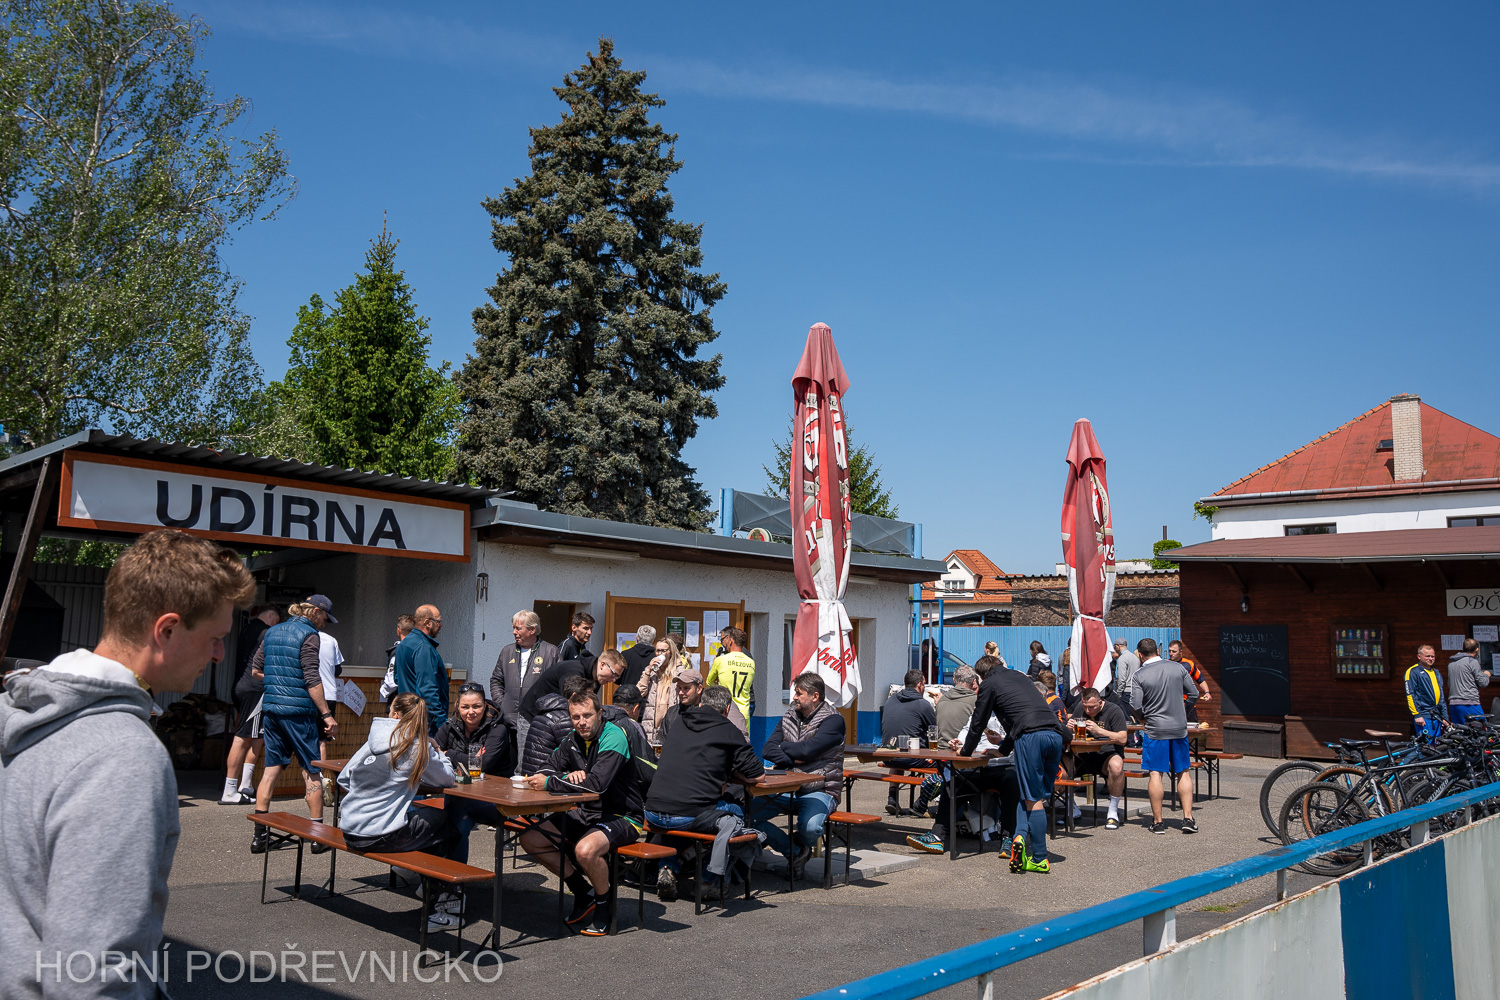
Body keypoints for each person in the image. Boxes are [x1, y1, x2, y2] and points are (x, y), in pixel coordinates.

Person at [0, 529, 254, 998]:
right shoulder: (122, 755)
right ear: (167, 630)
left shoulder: (20, 713)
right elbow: (92, 974)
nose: (220, 654)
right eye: (216, 637)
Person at [520, 688, 646, 937]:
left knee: (585, 851)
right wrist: (567, 776)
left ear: (600, 714)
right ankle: (582, 892)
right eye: (576, 717)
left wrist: (553, 781)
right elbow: (545, 768)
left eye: (587, 715)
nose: (582, 722)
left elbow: (596, 785)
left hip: (623, 816)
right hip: (587, 813)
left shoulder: (614, 736)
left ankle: (603, 904)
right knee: (531, 838)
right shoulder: (572, 738)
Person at [337, 693, 463, 929]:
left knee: (423, 818)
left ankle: (417, 875)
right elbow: (446, 778)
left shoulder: (372, 741)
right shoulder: (418, 746)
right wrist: (438, 751)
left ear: (395, 714)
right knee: (446, 826)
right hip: (379, 835)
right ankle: (442, 906)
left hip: (350, 830)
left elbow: (344, 778)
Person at [646, 683, 765, 900]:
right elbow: (758, 776)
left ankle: (668, 866)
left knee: (686, 815)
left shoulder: (680, 721)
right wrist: (734, 775)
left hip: (653, 811)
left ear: (701, 704)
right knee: (735, 813)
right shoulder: (728, 730)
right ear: (727, 709)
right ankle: (709, 880)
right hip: (687, 814)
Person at [961, 653, 1068, 874]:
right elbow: (1021, 717)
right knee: (1031, 795)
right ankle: (1018, 837)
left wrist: (965, 752)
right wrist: (1002, 750)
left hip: (1031, 738)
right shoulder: (1020, 677)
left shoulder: (989, 683)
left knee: (1033, 799)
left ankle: (1039, 858)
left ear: (981, 675)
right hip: (1054, 735)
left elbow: (978, 721)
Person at [251, 599, 341, 854]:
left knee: (271, 770)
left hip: (272, 710)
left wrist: (278, 682)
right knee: (311, 771)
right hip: (299, 713)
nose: (325, 624)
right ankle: (317, 837)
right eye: (325, 618)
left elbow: (256, 670)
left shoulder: (272, 632)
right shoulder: (310, 635)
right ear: (315, 612)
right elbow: (311, 678)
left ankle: (259, 836)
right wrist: (326, 715)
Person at [909, 673, 1021, 854]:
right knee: (953, 781)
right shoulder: (981, 709)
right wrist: (959, 741)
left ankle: (1008, 838)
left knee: (1012, 780)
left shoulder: (1012, 712)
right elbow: (968, 729)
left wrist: (1001, 741)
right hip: (977, 765)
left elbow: (1018, 738)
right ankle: (937, 836)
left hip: (1003, 765)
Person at [751, 672, 845, 879]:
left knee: (811, 828)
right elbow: (767, 749)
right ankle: (794, 850)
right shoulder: (789, 716)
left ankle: (800, 842)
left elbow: (809, 750)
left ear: (815, 696)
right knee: (746, 815)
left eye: (799, 693)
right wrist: (797, 757)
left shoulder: (833, 721)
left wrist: (785, 747)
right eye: (794, 692)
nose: (794, 697)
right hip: (785, 786)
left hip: (820, 788)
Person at [1130, 637, 1199, 835]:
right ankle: (1188, 818)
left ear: (1141, 655)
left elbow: (1135, 704)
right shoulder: (1178, 668)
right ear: (1158, 651)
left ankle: (1158, 822)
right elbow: (1194, 694)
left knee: (1155, 773)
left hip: (1155, 729)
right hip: (1178, 727)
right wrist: (1183, 711)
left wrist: (1143, 719)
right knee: (1183, 771)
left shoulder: (1139, 675)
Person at [222, 604, 278, 804]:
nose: (276, 625)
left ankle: (245, 785)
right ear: (271, 615)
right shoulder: (265, 633)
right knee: (243, 737)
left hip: (241, 686)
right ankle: (229, 790)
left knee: (257, 737)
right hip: (254, 689)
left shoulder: (246, 630)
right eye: (276, 621)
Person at [909, 664, 980, 817]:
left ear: (954, 680)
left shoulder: (942, 700)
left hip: (941, 755)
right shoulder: (977, 702)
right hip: (963, 757)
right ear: (974, 681)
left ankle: (930, 806)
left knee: (948, 777)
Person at [489, 610, 561, 751]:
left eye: (518, 628)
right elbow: (496, 680)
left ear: (532, 630)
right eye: (513, 628)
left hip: (535, 723)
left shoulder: (551, 652)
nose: (514, 632)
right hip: (508, 722)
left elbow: (559, 686)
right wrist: (502, 703)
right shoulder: (506, 651)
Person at [879, 669, 938, 815]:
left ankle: (892, 797)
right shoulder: (923, 704)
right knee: (945, 766)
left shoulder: (890, 701)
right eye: (924, 684)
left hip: (888, 757)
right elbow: (934, 730)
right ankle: (921, 802)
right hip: (913, 759)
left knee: (898, 755)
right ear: (919, 685)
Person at [1072, 687, 1130, 829]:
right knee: (1060, 764)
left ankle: (1112, 812)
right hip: (1083, 754)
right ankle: (1070, 807)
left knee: (1116, 766)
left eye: (1091, 707)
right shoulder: (1080, 708)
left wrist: (1099, 731)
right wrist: (1069, 728)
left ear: (1100, 702)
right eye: (1085, 706)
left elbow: (1123, 738)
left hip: (1106, 754)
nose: (1087, 711)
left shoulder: (1114, 710)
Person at [520, 648, 626, 721]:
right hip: (532, 715)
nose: (614, 680)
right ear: (602, 665)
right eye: (614, 674)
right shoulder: (573, 672)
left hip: (554, 718)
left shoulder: (597, 680)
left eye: (617, 677)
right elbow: (573, 705)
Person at [434, 682, 514, 778]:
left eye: (476, 706)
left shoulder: (497, 729)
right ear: (458, 707)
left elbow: (483, 765)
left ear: (485, 705)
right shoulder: (449, 726)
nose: (471, 712)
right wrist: (473, 759)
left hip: (493, 785)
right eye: (465, 707)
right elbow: (432, 756)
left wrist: (448, 753)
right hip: (456, 783)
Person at [521, 674, 598, 773]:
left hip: (531, 772)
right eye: (587, 696)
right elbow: (575, 754)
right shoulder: (565, 718)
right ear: (574, 696)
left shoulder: (548, 709)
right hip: (545, 775)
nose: (591, 700)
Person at [393, 604, 447, 736]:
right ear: (427, 623)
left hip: (407, 719)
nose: (441, 625)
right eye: (438, 621)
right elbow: (428, 690)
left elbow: (397, 678)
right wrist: (442, 726)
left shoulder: (403, 644)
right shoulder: (423, 647)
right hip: (425, 723)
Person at [637, 634, 688, 742]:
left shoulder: (679, 672)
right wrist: (648, 671)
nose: (660, 654)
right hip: (651, 725)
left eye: (663, 651)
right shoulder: (651, 672)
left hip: (670, 725)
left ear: (671, 652)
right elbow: (639, 693)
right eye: (657, 651)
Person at [706, 625, 755, 722]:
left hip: (726, 708)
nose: (721, 643)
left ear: (730, 640)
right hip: (744, 709)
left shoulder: (721, 660)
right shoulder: (750, 661)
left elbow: (709, 683)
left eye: (722, 640)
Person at [1447, 639, 1491, 727]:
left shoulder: (1451, 664)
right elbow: (1483, 683)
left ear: (1462, 648)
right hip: (1469, 703)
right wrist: (1486, 675)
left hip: (1453, 704)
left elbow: (1449, 683)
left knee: (1460, 732)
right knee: (1481, 729)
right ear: (1477, 650)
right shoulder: (1472, 662)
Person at [1405, 643, 1445, 736]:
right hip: (1423, 716)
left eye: (1432, 656)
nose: (1430, 659)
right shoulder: (1413, 672)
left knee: (1436, 744)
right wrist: (1417, 714)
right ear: (1419, 656)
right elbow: (1410, 694)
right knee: (1426, 743)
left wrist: (1444, 717)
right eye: (1427, 656)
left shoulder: (1436, 672)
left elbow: (1441, 697)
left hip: (1436, 716)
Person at [1167, 640, 1211, 722]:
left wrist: (1207, 692)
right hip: (1171, 704)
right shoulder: (1165, 664)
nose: (1171, 653)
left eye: (1174, 651)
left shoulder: (1189, 664)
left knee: (1192, 727)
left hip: (1188, 703)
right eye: (1169, 651)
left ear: (1180, 652)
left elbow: (1200, 679)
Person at [380, 614, 415, 702]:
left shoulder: (397, 651)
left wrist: (383, 691)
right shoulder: (417, 650)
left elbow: (391, 680)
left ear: (398, 630)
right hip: (415, 698)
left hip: (399, 699)